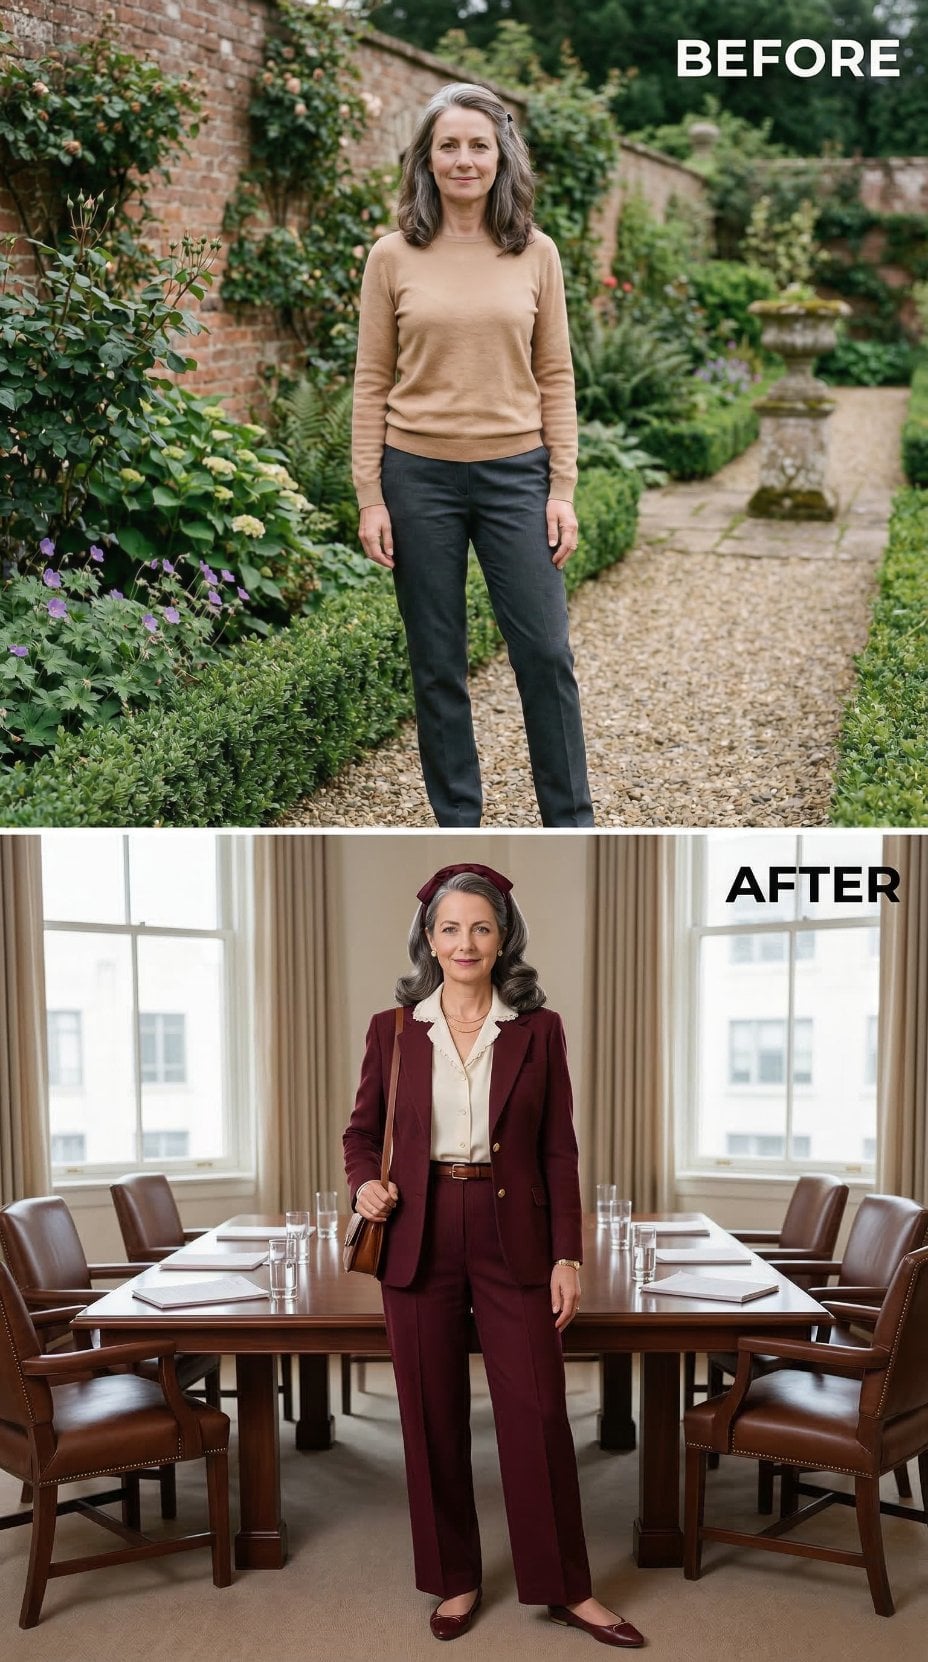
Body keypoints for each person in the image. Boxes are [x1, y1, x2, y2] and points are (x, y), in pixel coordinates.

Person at [342, 862, 645, 1648]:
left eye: (481, 926)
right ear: (430, 942)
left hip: (517, 1233)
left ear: (504, 935)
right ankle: (456, 1578)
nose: (466, 941)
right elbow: (361, 1134)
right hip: (418, 1228)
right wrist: (360, 1190)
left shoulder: (538, 1030)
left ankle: (565, 1588)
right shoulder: (395, 1029)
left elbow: (558, 1149)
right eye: (450, 928)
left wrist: (567, 1255)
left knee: (540, 1413)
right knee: (429, 1414)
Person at [351, 82, 594, 830]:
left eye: (478, 145)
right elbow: (371, 379)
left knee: (546, 654)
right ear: (426, 159)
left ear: (501, 157)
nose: (463, 159)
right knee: (438, 663)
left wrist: (562, 487)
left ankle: (571, 821)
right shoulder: (393, 256)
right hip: (416, 477)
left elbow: (556, 374)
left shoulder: (535, 253)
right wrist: (370, 494)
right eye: (448, 145)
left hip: (517, 477)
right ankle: (458, 819)